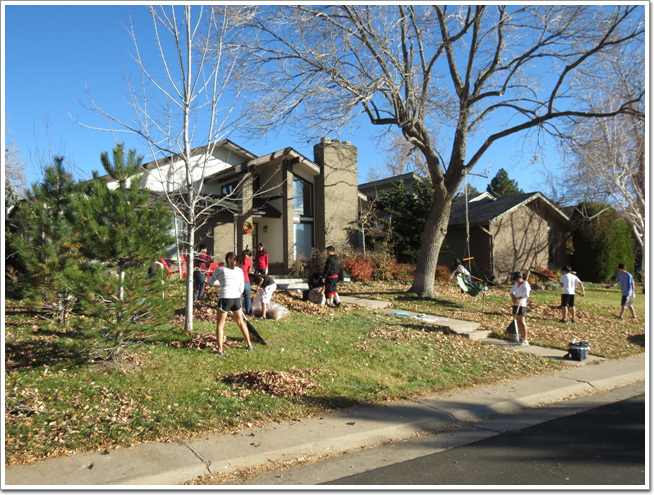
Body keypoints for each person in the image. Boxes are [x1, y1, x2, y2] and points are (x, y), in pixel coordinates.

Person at [206, 252, 252, 356]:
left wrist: (219, 282)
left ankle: (220, 350)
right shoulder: (239, 271)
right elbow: (241, 287)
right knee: (240, 322)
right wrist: (237, 293)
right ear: (236, 261)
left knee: (220, 325)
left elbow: (209, 282)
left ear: (226, 260)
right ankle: (249, 344)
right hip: (236, 299)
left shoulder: (220, 269)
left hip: (225, 298)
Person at [509, 271, 531, 346]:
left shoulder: (525, 284)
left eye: (517, 279)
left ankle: (525, 339)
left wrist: (518, 298)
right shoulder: (516, 284)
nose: (516, 281)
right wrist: (513, 297)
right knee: (518, 322)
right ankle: (521, 337)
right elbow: (511, 291)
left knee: (522, 322)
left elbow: (526, 295)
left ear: (521, 277)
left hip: (521, 305)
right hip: (515, 304)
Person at [238, 248, 253, 316]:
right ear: (248, 255)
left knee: (239, 297)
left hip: (239, 280)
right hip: (246, 280)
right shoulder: (249, 261)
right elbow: (249, 271)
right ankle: (249, 312)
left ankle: (240, 313)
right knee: (247, 298)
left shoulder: (239, 259)